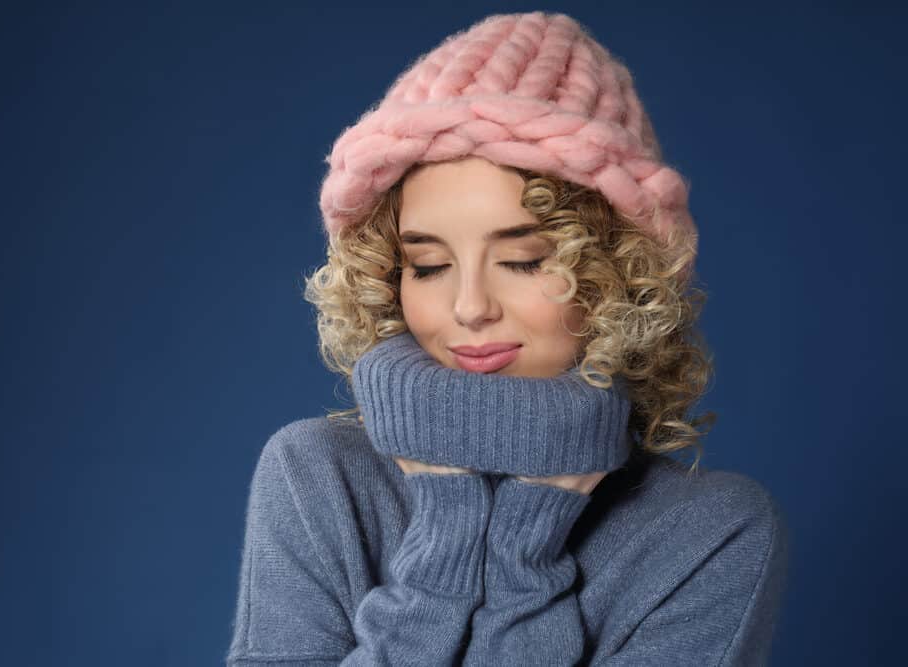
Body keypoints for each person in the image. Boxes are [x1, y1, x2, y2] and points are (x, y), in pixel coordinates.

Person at [225, 11, 789, 666]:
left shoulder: (710, 534)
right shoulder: (317, 475)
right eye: (428, 266)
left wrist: (523, 557)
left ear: (617, 271)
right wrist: (442, 562)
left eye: (523, 260)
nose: (468, 307)